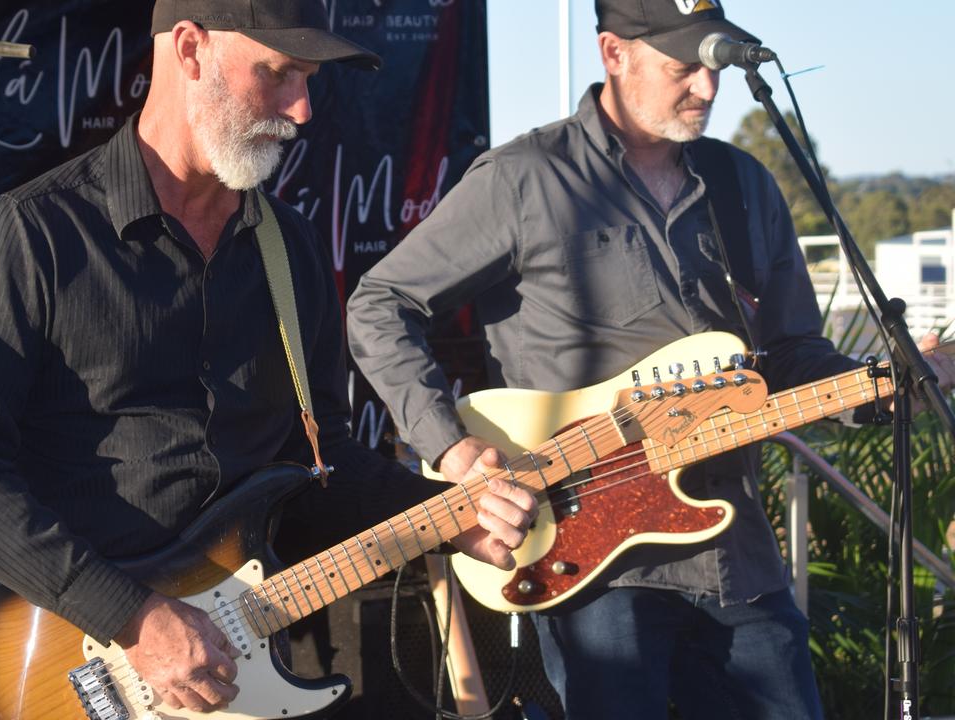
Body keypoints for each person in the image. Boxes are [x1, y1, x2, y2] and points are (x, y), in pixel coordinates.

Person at [0, 0, 535, 714]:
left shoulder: (290, 251)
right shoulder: (34, 235)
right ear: (190, 49)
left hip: (244, 672)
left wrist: (451, 517)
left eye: (308, 81)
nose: (300, 110)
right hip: (71, 668)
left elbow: (321, 464)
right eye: (277, 74)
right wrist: (130, 615)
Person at [346, 1, 953, 718]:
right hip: (593, 560)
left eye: (714, 64)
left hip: (736, 554)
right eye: (682, 66)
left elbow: (792, 359)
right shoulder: (525, 180)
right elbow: (379, 303)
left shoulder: (744, 185)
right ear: (613, 53)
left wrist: (884, 388)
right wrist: (450, 449)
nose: (706, 87)